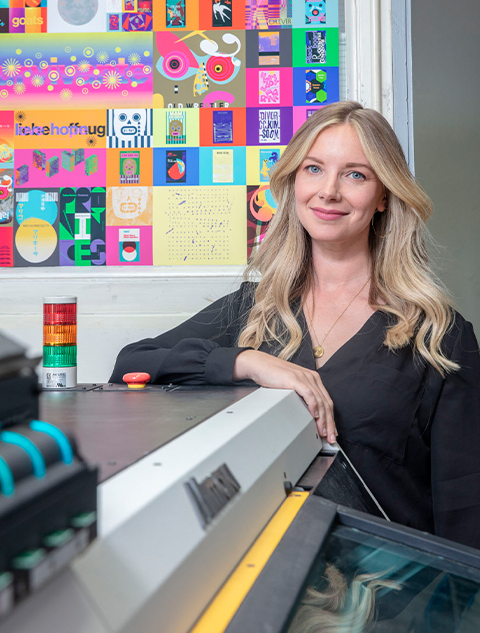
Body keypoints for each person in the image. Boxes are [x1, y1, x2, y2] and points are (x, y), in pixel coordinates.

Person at [110, 101, 480, 549]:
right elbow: (131, 366)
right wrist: (250, 362)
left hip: (386, 596)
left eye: (356, 174)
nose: (328, 192)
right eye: (313, 169)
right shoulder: (253, 309)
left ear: (384, 195)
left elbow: (465, 512)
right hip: (264, 581)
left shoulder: (439, 336)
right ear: (293, 182)